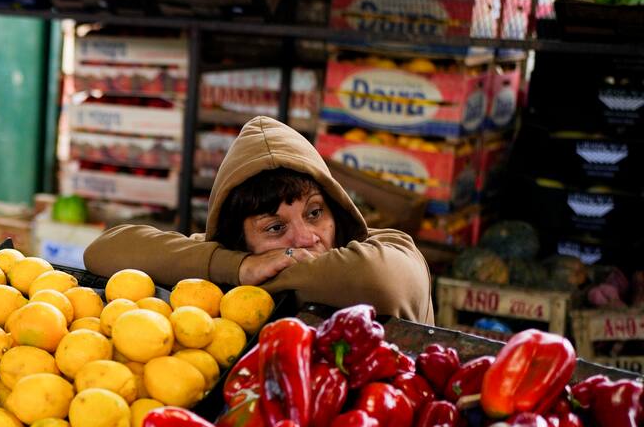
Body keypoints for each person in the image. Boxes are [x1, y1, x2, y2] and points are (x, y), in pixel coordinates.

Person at [84, 116, 434, 323]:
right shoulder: (232, 258)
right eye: (275, 227)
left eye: (315, 213)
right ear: (240, 241)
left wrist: (246, 281)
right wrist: (237, 268)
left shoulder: (392, 247)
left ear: (336, 206)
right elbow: (103, 251)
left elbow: (378, 282)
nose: (306, 238)